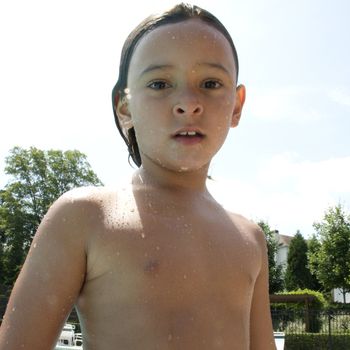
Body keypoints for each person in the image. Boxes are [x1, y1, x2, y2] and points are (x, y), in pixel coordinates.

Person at [0, 3, 276, 349]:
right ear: (125, 106)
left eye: (210, 83)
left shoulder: (250, 239)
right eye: (160, 83)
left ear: (236, 105)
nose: (188, 103)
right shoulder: (85, 217)